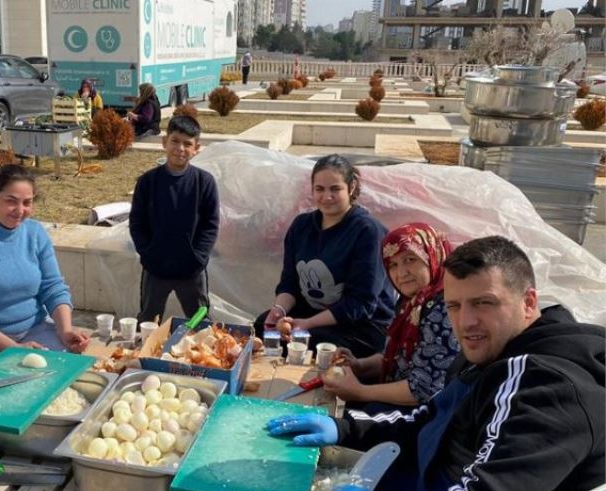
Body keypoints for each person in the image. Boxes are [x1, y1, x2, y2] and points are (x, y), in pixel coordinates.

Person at [267, 236, 605, 491]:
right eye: (454, 306)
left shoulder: (546, 386)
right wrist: (343, 428)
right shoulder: (496, 355)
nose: (466, 322)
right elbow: (430, 418)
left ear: (529, 302)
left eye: (483, 303)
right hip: (430, 488)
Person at [253, 155, 395, 356]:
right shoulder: (301, 226)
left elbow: (361, 304)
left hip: (361, 324)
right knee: (263, 327)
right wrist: (279, 312)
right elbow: (290, 283)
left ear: (351, 187)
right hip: (312, 312)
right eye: (319, 189)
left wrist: (307, 324)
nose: (326, 197)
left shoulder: (368, 232)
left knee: (313, 343)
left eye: (335, 189)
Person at [0, 164, 90, 355]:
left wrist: (65, 330)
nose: (20, 210)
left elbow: (53, 287)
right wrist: (13, 349)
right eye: (11, 201)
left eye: (27, 203)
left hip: (37, 329)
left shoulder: (35, 232)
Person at [323, 223, 460, 412]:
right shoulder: (411, 302)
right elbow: (396, 359)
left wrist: (360, 391)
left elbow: (422, 389)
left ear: (432, 256)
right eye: (393, 265)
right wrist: (359, 365)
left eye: (410, 259)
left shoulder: (444, 308)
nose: (401, 273)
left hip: (425, 415)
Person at [128, 115, 219, 323]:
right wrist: (148, 252)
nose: (180, 148)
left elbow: (210, 226)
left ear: (197, 148)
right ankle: (146, 352)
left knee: (200, 321)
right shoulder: (148, 182)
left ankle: (204, 354)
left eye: (188, 144)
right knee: (149, 320)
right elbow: (136, 223)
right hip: (156, 268)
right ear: (164, 142)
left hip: (191, 270)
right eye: (175, 141)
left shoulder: (204, 182)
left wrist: (198, 258)